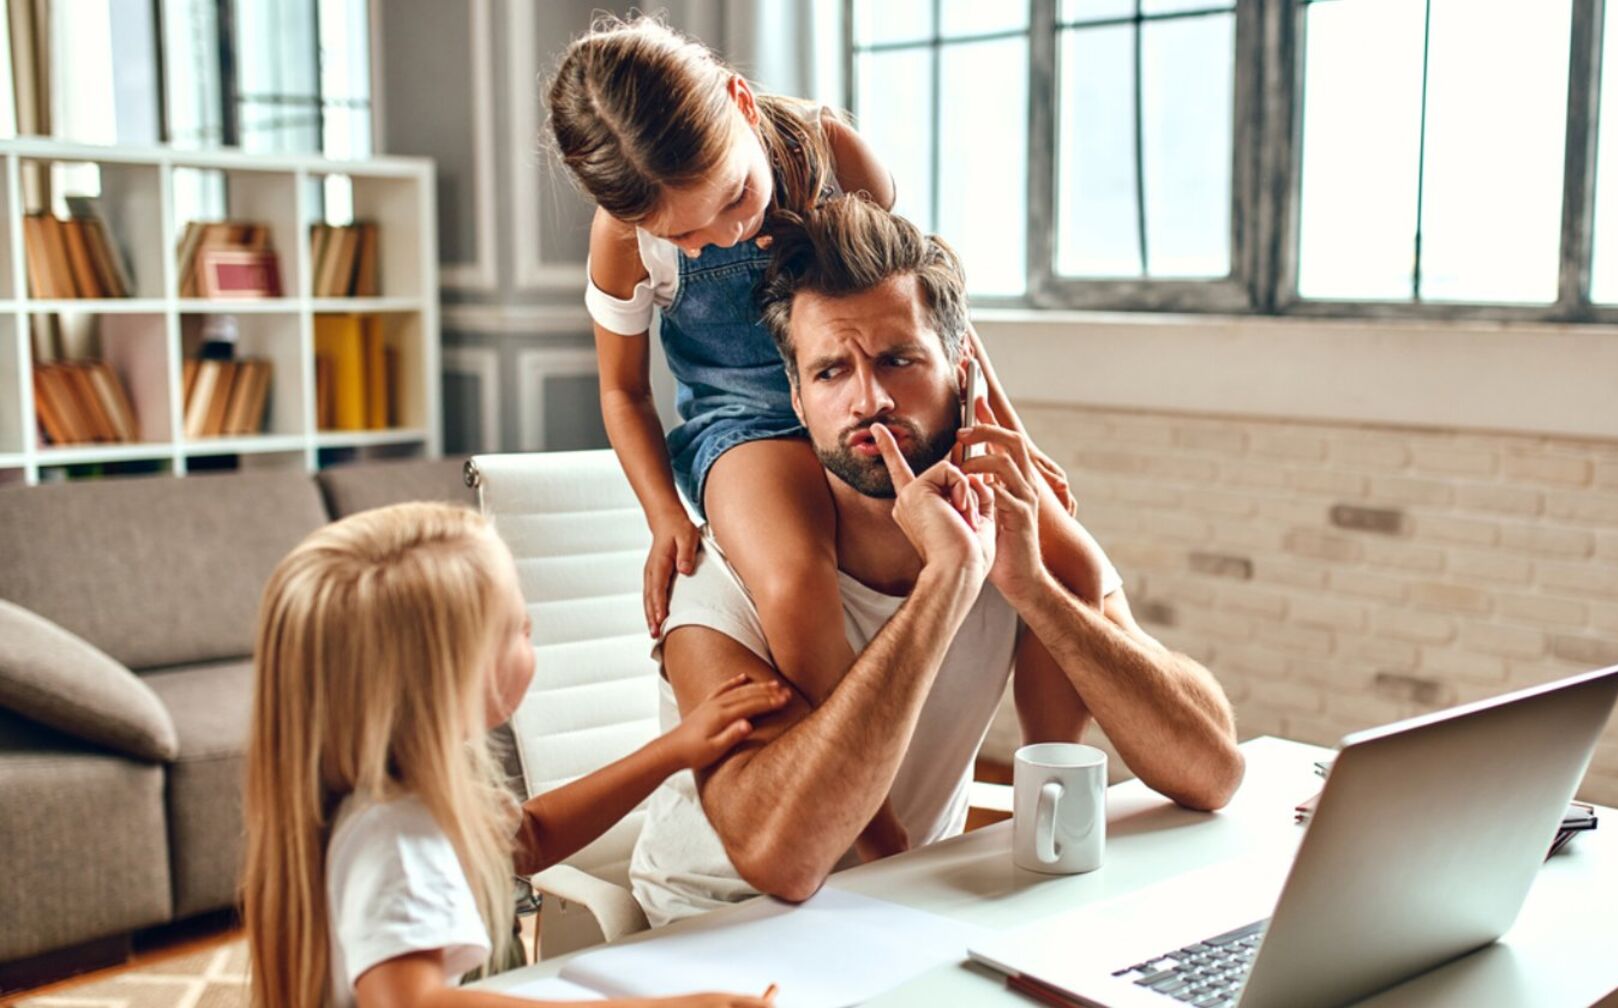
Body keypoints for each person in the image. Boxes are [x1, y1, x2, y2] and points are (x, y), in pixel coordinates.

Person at [545, 13, 1097, 859]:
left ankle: (1052, 795)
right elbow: (622, 393)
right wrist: (664, 514)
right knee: (795, 571)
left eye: (733, 198)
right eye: (685, 236)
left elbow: (930, 312)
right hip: (744, 418)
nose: (720, 235)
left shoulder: (833, 154)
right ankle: (872, 831)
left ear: (737, 101)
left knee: (1065, 552)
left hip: (868, 379)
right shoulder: (625, 241)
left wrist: (1005, 431)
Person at [628, 196, 1245, 924]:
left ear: (962, 370)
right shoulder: (725, 575)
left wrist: (1034, 589)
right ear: (794, 397)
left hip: (910, 911)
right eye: (831, 373)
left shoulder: (1011, 532)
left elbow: (1212, 770)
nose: (870, 400)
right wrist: (945, 585)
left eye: (899, 360)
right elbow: (784, 861)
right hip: (720, 927)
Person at [240, 502, 788, 1008]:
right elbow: (411, 1002)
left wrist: (673, 751)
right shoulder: (397, 834)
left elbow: (528, 838)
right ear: (444, 681)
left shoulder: (392, 787)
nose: (531, 628)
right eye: (514, 628)